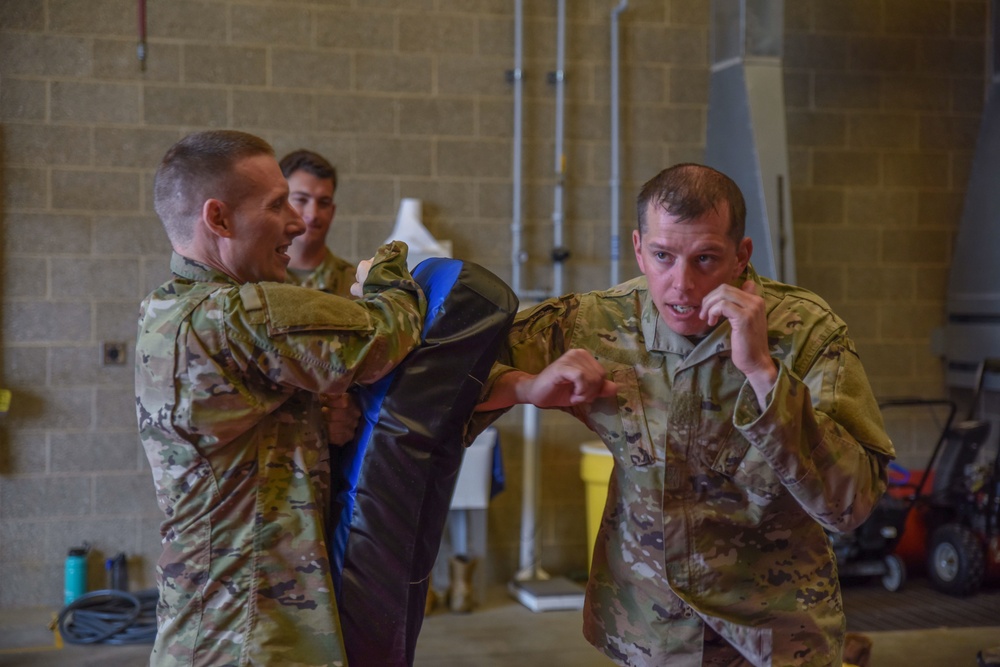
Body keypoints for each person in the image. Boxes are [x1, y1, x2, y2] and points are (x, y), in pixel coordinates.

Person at [472, 163, 895, 666]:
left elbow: (851, 506)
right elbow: (439, 375)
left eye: (705, 259)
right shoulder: (597, 322)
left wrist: (763, 373)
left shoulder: (807, 332)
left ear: (742, 257)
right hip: (649, 634)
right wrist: (524, 387)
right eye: (663, 256)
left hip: (775, 636)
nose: (680, 285)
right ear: (637, 248)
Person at [135, 130, 426, 667]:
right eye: (278, 205)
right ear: (218, 219)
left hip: (218, 623)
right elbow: (389, 333)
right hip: (247, 635)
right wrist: (389, 269)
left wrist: (322, 417)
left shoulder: (167, 308)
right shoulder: (240, 315)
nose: (298, 222)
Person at [279, 149, 356, 299]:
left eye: (323, 203)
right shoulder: (252, 277)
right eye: (301, 200)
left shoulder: (355, 286)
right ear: (279, 203)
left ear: (332, 212)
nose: (312, 214)